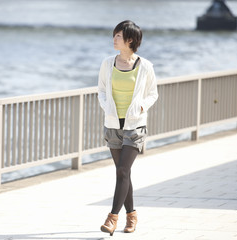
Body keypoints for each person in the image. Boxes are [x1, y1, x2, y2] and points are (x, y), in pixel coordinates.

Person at [97, 20, 158, 236]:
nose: (114, 39)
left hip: (135, 126)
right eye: (114, 35)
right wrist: (108, 108)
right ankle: (131, 215)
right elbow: (101, 91)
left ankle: (112, 218)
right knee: (124, 173)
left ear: (130, 40)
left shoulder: (145, 66)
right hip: (113, 125)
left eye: (118, 36)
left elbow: (153, 93)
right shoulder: (107, 63)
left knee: (123, 171)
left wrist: (141, 106)